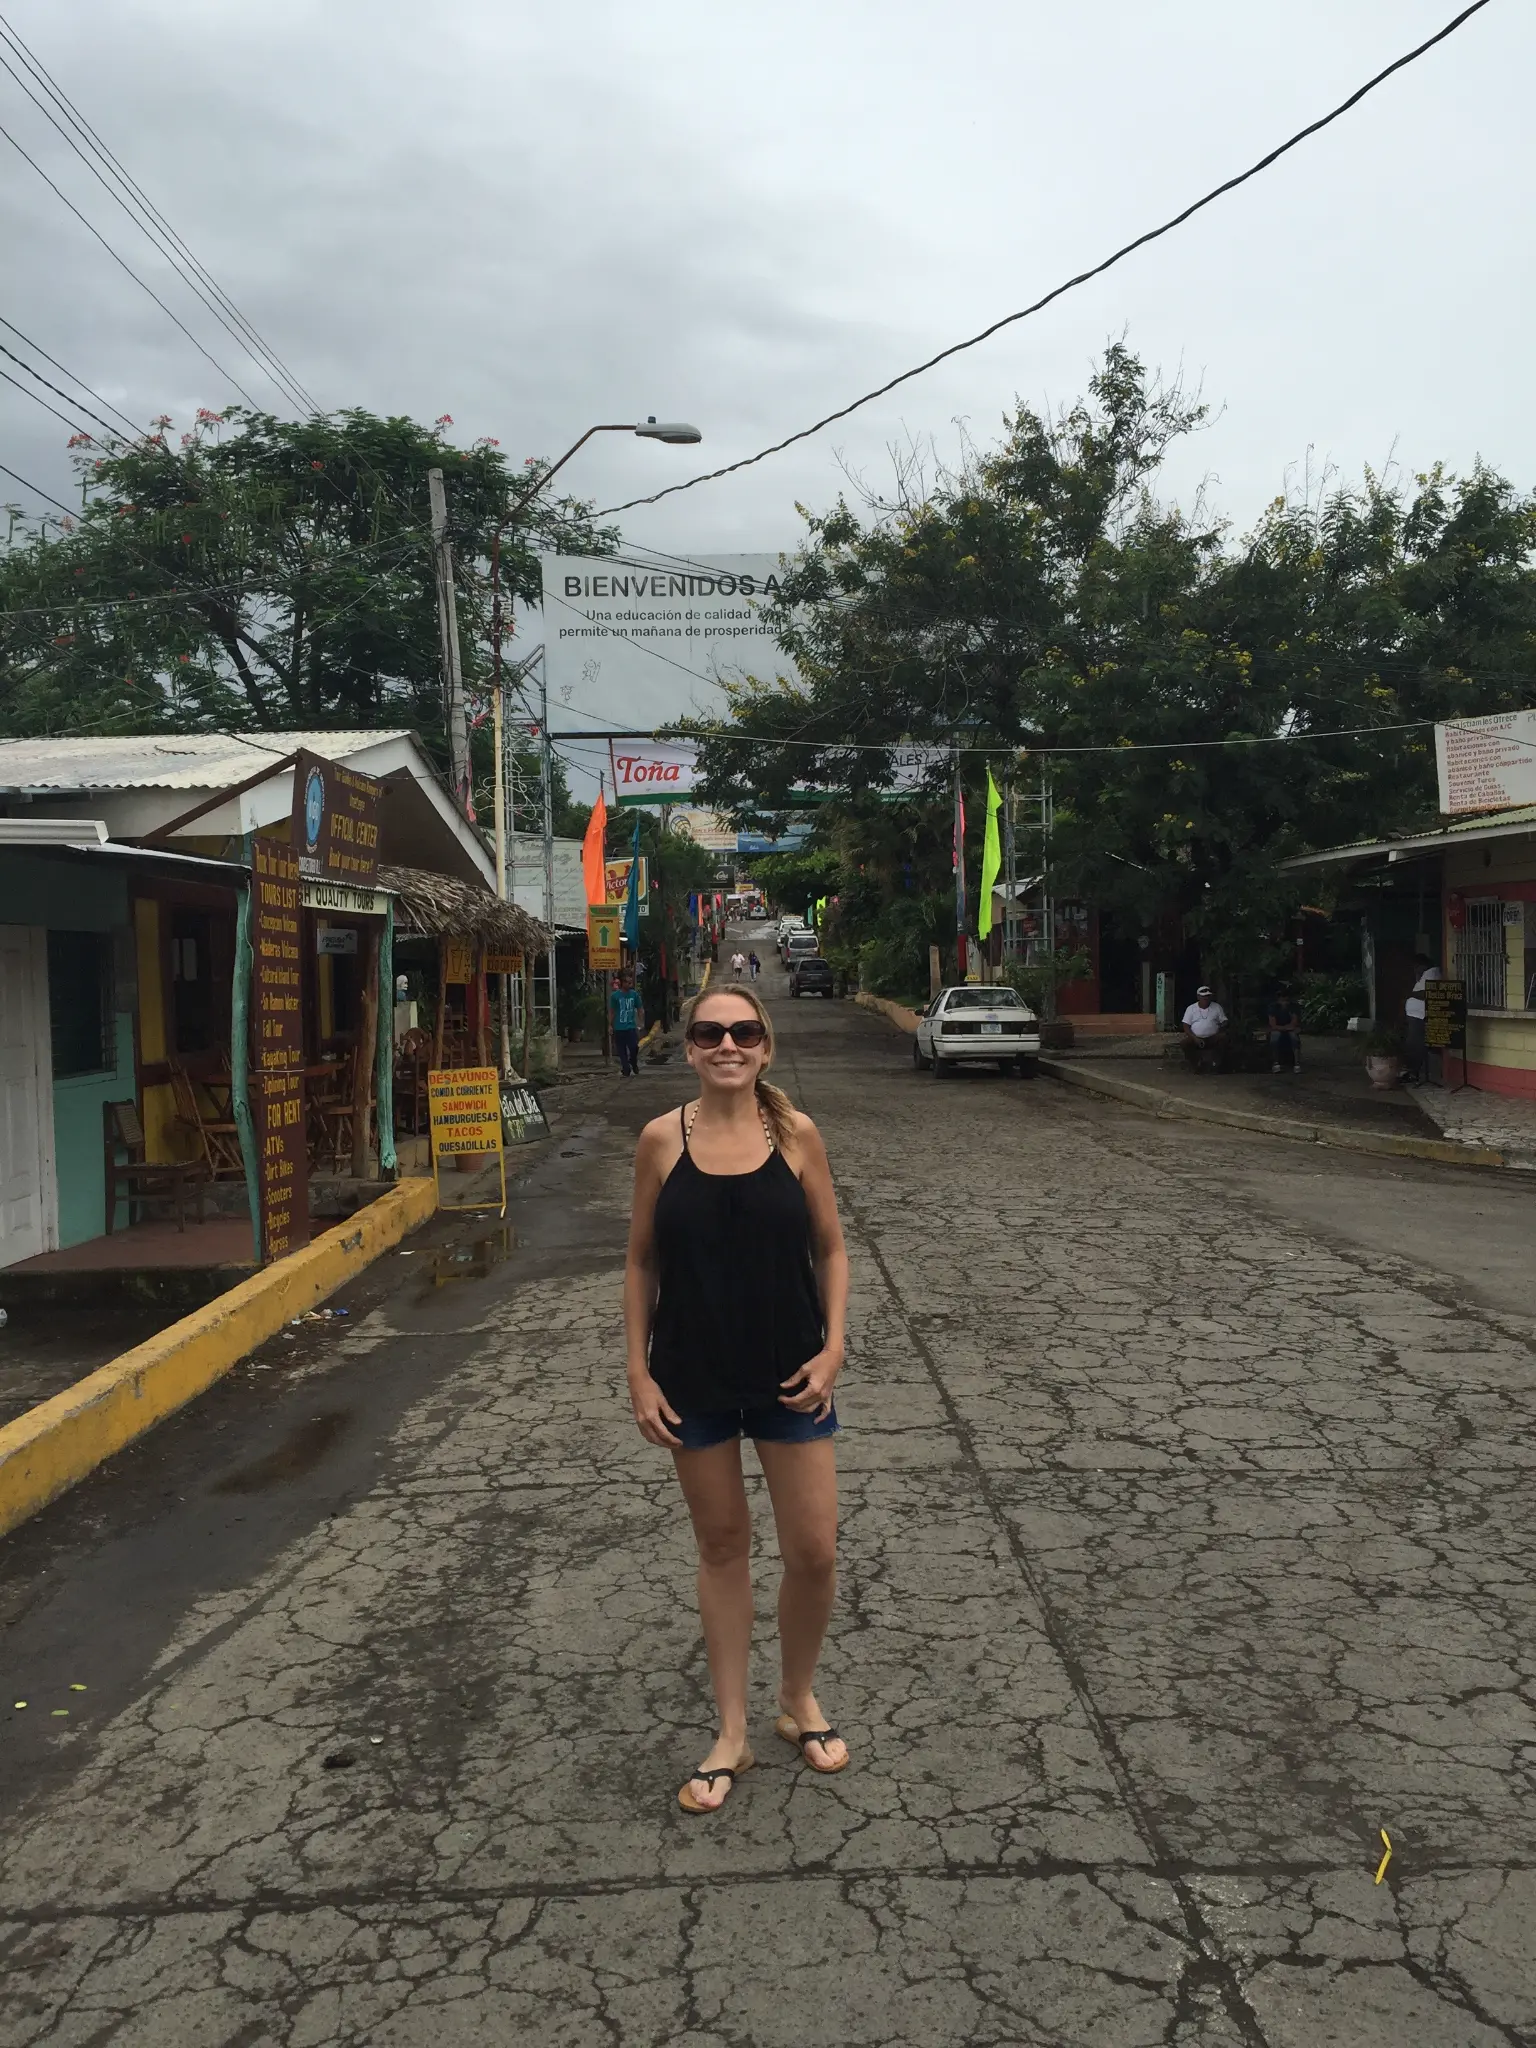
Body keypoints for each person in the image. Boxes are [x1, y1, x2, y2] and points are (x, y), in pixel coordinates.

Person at [624, 984, 850, 1815]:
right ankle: (732, 1732)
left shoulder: (797, 1136)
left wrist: (833, 1347)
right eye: (710, 1032)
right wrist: (639, 1373)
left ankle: (798, 1700)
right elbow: (641, 1262)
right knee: (722, 1547)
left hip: (793, 1374)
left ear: (766, 1047)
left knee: (815, 1550)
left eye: (744, 1031)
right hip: (693, 1377)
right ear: (688, 1048)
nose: (728, 1044)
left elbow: (830, 1248)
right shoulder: (657, 1141)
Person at [1403, 952, 1442, 1084]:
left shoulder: (1433, 972)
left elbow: (1428, 993)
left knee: (1416, 1044)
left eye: (1416, 966)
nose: (1415, 969)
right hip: (1414, 1016)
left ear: (1422, 964)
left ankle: (1414, 1073)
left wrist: (1411, 994)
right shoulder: (1423, 975)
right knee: (1412, 1044)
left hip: (1420, 1016)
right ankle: (1412, 1072)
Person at [1181, 985, 1228, 1071]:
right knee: (1185, 1043)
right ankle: (1196, 1064)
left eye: (1208, 996)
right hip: (1196, 1037)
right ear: (1198, 997)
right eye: (1203, 997)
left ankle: (1217, 1065)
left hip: (1212, 1037)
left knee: (1223, 1039)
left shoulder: (1217, 1007)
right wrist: (1194, 1038)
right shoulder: (1191, 1008)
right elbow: (1186, 1025)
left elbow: (1224, 1021)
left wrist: (1220, 1029)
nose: (1206, 999)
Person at [609, 971, 644, 1078]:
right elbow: (612, 1011)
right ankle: (626, 1068)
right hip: (619, 1027)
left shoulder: (634, 995)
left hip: (631, 1027)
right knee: (621, 1050)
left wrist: (640, 1022)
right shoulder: (615, 996)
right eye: (628, 983)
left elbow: (639, 1009)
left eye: (631, 983)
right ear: (622, 983)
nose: (630, 985)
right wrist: (610, 1025)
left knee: (634, 1047)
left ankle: (633, 1062)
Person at [1268, 985, 1302, 1074]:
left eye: (1285, 999)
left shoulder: (1293, 1007)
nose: (1283, 1001)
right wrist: (1284, 1028)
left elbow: (1294, 1022)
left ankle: (1297, 1064)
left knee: (1295, 1039)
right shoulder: (1273, 1007)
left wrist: (1289, 1027)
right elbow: (1273, 1024)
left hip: (1289, 1028)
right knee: (1274, 1039)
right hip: (1279, 1028)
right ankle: (1276, 1063)